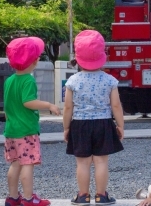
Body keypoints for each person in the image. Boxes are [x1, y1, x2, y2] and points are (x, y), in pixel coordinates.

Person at [64, 30, 125, 205]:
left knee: (82, 163)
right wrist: (120, 125)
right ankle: (101, 195)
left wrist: (66, 128)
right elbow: (116, 106)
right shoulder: (110, 80)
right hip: (103, 123)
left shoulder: (72, 81)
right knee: (101, 162)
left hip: (80, 124)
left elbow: (69, 107)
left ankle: (83, 195)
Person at [3, 37, 61, 206]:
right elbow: (28, 101)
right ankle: (29, 199)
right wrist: (48, 105)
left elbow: (7, 105)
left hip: (11, 130)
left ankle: (12, 197)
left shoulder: (9, 80)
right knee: (28, 164)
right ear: (33, 61)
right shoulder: (28, 80)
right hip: (26, 130)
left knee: (15, 164)